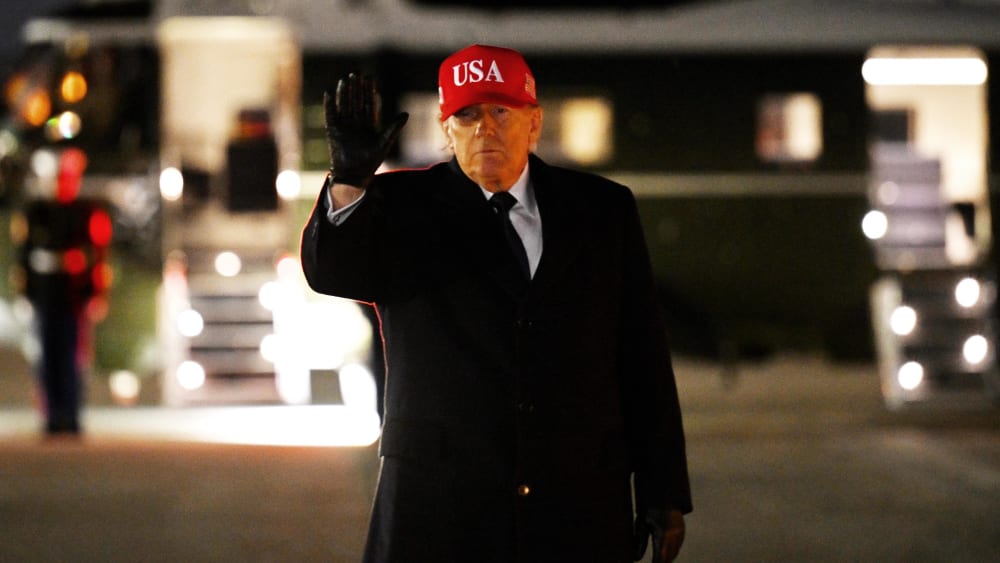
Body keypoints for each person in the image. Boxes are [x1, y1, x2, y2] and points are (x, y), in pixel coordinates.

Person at [301, 44, 692, 563]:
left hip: (576, 500)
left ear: (533, 124)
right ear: (447, 131)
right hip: (441, 504)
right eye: (466, 115)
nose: (485, 128)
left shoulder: (601, 211)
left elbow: (641, 351)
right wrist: (350, 184)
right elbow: (330, 273)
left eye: (500, 112)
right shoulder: (399, 208)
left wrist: (662, 486)